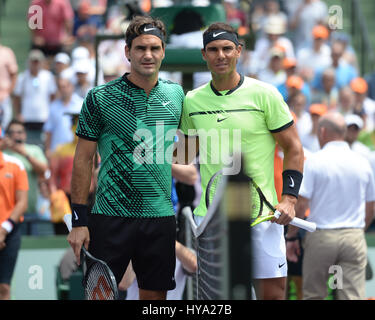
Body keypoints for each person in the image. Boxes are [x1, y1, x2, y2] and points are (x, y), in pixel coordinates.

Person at [176, 22, 304, 300]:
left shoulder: (265, 94)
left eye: (226, 48)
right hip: (211, 222)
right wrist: (144, 154)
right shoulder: (191, 101)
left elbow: (294, 148)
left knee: (272, 296)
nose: (220, 55)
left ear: (239, 51)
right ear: (203, 54)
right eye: (213, 50)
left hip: (262, 218)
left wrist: (290, 199)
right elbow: (183, 157)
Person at [67, 15, 184, 300]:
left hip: (160, 218)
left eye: (155, 48)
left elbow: (186, 152)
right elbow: (82, 160)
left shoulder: (177, 94)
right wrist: (79, 221)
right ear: (127, 52)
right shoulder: (99, 97)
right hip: (110, 217)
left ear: (163, 51)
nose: (148, 54)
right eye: (141, 48)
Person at [286, 112, 375, 300]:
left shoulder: (315, 161)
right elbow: (371, 207)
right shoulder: (362, 162)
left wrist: (292, 236)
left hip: (322, 237)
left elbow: (301, 207)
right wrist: (358, 230)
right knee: (350, 295)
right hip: (353, 237)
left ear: (323, 132)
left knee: (314, 294)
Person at [3, 120, 48, 234]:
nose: (15, 135)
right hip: (7, 213)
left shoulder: (33, 150)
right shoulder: (3, 153)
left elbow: (44, 170)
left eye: (19, 132)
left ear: (25, 134)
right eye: (11, 132)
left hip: (30, 210)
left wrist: (24, 153)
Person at [0, 126, 29, 300]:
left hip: (10, 231)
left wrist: (3, 230)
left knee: (4, 286)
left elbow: (22, 203)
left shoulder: (16, 164)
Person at [12, 49, 57, 146]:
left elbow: (53, 96)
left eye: (37, 61)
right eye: (33, 61)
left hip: (44, 117)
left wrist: (50, 113)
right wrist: (18, 114)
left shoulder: (48, 76)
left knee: (43, 143)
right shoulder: (22, 77)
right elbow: (16, 97)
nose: (35, 64)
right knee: (28, 144)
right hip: (27, 117)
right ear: (29, 62)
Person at [43, 76, 83, 159]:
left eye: (65, 86)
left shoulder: (81, 104)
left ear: (71, 86)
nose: (63, 89)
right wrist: (47, 150)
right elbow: (49, 130)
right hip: (57, 152)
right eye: (60, 87)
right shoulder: (53, 106)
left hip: (77, 151)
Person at [0, 41, 18, 130]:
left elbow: (14, 75)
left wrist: (8, 93)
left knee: (5, 126)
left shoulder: (6, 52)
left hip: (4, 96)